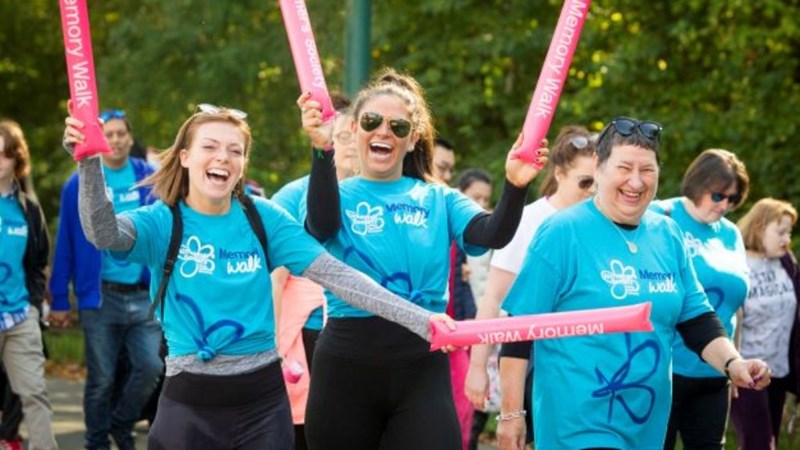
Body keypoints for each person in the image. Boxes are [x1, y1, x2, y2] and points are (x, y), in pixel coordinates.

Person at [63, 103, 455, 449]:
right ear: (185, 157)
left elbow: (339, 276)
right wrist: (88, 161)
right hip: (188, 407)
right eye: (210, 147)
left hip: (262, 409)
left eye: (235, 150)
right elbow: (103, 233)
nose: (223, 157)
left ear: (243, 164)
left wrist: (424, 321)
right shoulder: (161, 221)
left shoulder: (263, 219)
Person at [297, 67, 549, 450]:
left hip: (420, 366)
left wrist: (515, 185)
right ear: (354, 129)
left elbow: (491, 234)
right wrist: (321, 149)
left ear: (413, 138)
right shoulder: (335, 193)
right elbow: (321, 225)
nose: (383, 132)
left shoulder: (438, 197)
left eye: (397, 126)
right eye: (372, 121)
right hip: (346, 366)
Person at [497, 116, 771, 450]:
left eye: (647, 170)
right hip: (578, 424)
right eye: (624, 168)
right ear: (598, 166)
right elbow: (519, 329)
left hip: (647, 426)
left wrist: (734, 364)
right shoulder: (562, 232)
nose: (636, 181)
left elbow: (697, 319)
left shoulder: (667, 234)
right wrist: (511, 414)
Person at [465, 126, 596, 448]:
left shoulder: (601, 222)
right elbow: (494, 298)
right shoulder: (528, 220)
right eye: (585, 182)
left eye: (599, 182)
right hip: (535, 358)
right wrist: (478, 367)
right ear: (559, 173)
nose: (593, 191)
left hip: (590, 361)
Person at [50, 109, 163, 450]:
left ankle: (121, 423)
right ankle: (97, 442)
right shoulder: (78, 183)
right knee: (101, 379)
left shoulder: (148, 177)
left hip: (144, 295)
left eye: (120, 134)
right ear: (100, 138)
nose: (115, 140)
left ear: (130, 137)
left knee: (150, 367)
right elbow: (66, 242)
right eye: (108, 134)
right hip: (100, 297)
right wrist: (59, 298)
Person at [270, 93, 357, 450]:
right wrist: (271, 344)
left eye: (354, 135)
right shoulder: (292, 196)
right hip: (307, 335)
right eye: (340, 136)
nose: (348, 145)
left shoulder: (377, 196)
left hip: (361, 335)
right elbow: (273, 277)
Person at [650, 149, 750, 450]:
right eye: (718, 196)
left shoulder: (731, 233)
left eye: (733, 199)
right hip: (664, 369)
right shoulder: (661, 216)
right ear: (698, 183)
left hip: (714, 373)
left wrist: (734, 361)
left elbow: (736, 308)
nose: (725, 205)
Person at [0, 120, 57, 450]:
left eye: (5, 154)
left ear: (17, 159)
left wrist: (34, 309)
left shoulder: (28, 210)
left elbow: (37, 265)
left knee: (35, 395)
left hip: (19, 317)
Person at [732, 198, 799, 449]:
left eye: (789, 232)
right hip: (747, 371)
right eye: (780, 232)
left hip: (778, 370)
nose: (786, 239)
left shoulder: (786, 261)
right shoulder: (736, 264)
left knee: (770, 441)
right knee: (759, 444)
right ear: (759, 228)